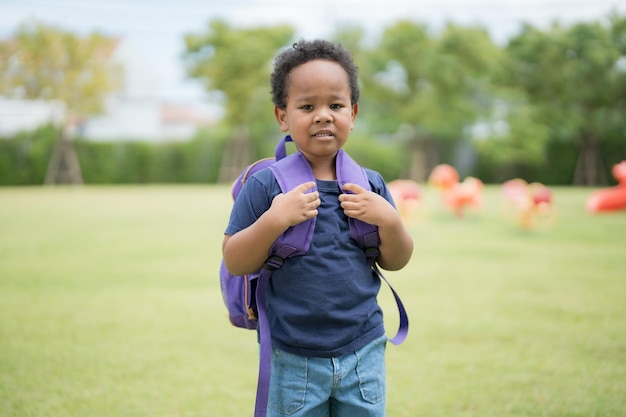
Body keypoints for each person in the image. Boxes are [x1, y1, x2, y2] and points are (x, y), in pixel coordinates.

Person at [222, 39, 414, 417]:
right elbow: (235, 259)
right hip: (293, 355)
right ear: (283, 116)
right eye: (307, 106)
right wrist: (275, 219)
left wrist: (389, 220)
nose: (323, 115)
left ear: (353, 113)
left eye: (335, 105)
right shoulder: (267, 186)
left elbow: (397, 261)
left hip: (364, 349)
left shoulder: (369, 183)